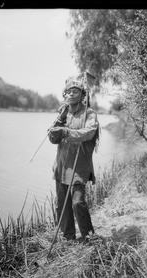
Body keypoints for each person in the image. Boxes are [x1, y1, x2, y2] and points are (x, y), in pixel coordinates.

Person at [48, 75, 99, 242]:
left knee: (77, 202)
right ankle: (68, 237)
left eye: (75, 91)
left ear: (82, 95)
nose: (71, 94)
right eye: (68, 92)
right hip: (62, 166)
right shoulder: (63, 113)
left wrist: (66, 132)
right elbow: (53, 138)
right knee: (62, 205)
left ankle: (89, 237)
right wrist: (57, 126)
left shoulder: (88, 114)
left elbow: (89, 132)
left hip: (79, 166)